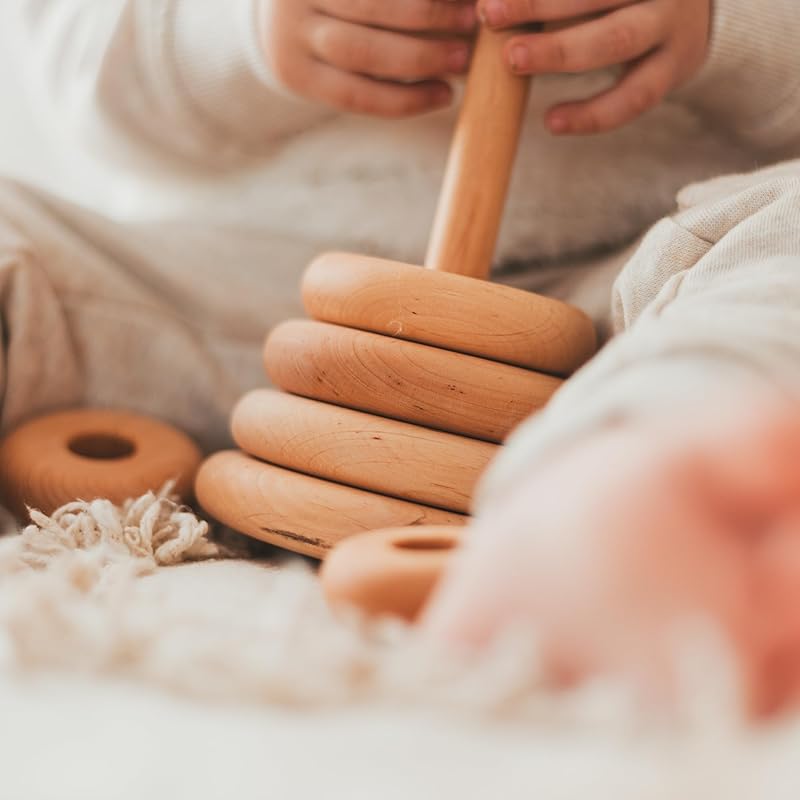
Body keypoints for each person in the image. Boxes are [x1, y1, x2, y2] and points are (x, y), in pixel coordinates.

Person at [4, 0, 800, 711]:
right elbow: (78, 75)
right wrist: (248, 29)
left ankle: (627, 481)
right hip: (236, 302)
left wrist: (721, 24)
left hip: (617, 309)